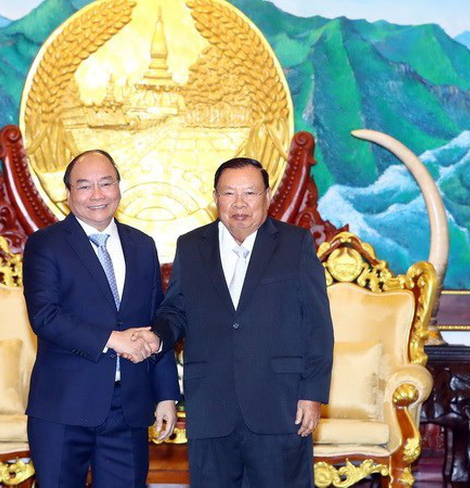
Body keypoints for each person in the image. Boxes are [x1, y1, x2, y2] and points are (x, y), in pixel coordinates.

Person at [133, 157, 334, 487]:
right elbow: (176, 311)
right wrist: (157, 337)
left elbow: (316, 325)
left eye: (250, 193)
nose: (239, 204)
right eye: (229, 193)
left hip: (280, 404)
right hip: (211, 403)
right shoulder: (191, 246)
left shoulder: (295, 244)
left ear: (267, 196)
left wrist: (312, 393)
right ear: (216, 198)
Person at [22, 149, 180, 488]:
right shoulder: (45, 245)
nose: (97, 195)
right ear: (68, 194)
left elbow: (158, 319)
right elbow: (45, 317)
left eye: (105, 183)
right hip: (63, 406)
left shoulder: (142, 245)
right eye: (84, 186)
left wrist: (167, 394)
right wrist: (113, 339)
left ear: (119, 188)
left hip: (130, 406)